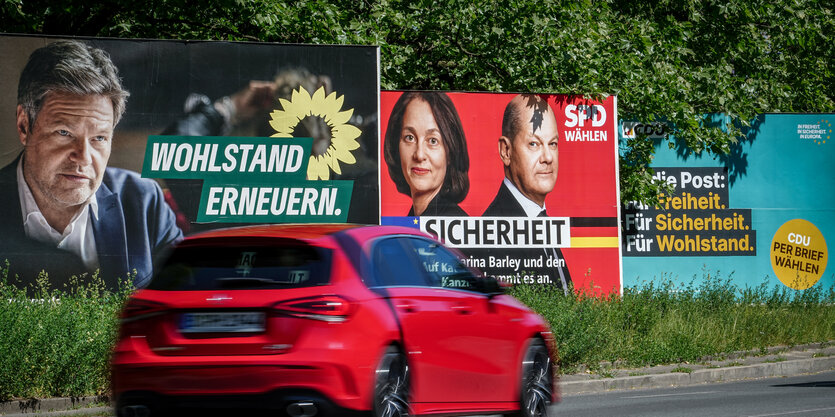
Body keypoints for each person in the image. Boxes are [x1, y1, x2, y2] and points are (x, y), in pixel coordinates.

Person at [0, 40, 183, 289]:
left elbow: (183, 299)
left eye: (99, 138)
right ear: (24, 125)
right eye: (64, 133)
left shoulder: (142, 200)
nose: (84, 157)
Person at [482, 94, 571, 290]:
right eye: (534, 144)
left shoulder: (541, 219)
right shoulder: (494, 228)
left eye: (553, 144)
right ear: (506, 150)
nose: (547, 157)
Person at [383, 92, 469, 216]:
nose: (419, 155)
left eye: (433, 141)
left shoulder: (455, 227)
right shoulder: (413, 220)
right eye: (410, 138)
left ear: (450, 152)